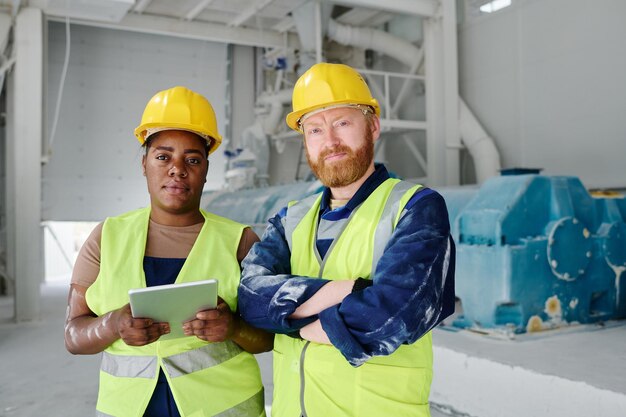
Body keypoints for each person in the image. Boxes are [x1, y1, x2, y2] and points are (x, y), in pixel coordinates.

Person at [238, 63, 456, 417]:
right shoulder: (291, 217)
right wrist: (346, 291)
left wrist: (290, 322)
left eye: (342, 123)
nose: (330, 141)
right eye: (315, 130)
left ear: (373, 126)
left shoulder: (416, 207)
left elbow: (393, 316)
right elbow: (249, 299)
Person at [64, 86, 272, 417]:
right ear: (144, 163)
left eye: (192, 159)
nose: (177, 169)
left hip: (225, 408)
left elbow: (270, 337)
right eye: (163, 157)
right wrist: (113, 325)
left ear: (205, 170)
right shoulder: (107, 237)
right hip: (128, 408)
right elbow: (73, 335)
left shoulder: (241, 242)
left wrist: (233, 328)